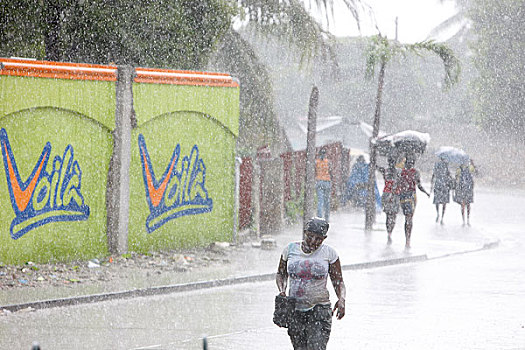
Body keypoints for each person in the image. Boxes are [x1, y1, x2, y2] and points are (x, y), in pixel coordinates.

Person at [276, 217, 346, 350]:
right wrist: (282, 290)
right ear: (304, 232)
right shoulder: (290, 249)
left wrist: (341, 299)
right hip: (295, 310)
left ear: (324, 238)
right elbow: (280, 274)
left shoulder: (329, 254)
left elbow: (339, 281)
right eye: (310, 236)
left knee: (316, 347)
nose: (313, 241)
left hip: (319, 310)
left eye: (318, 239)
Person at [397, 157, 430, 248]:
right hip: (410, 196)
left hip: (405, 196)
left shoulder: (402, 172)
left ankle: (407, 239)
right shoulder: (413, 172)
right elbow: (418, 185)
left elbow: (398, 184)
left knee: (408, 218)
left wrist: (425, 192)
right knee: (409, 218)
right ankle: (407, 239)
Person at [378, 156, 400, 245]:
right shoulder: (396, 172)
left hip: (389, 194)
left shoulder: (387, 171)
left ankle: (389, 233)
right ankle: (389, 233)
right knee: (391, 215)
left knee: (390, 215)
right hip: (391, 195)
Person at [431, 156, 453, 224]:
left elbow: (433, 174)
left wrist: (432, 183)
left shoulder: (436, 164)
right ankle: (442, 217)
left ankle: (438, 214)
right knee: (444, 202)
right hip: (445, 185)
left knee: (437, 201)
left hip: (438, 184)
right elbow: (449, 175)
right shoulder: (446, 165)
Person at [454, 159, 476, 225]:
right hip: (468, 188)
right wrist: (472, 163)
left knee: (462, 204)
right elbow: (475, 171)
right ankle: (468, 219)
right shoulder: (470, 168)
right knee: (468, 204)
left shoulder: (459, 169)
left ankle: (463, 220)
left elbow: (456, 178)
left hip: (461, 188)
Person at [315, 148, 332, 222]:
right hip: (327, 182)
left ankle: (319, 218)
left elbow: (314, 171)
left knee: (320, 201)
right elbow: (331, 172)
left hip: (319, 181)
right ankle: (327, 218)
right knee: (327, 201)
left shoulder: (316, 162)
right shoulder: (328, 162)